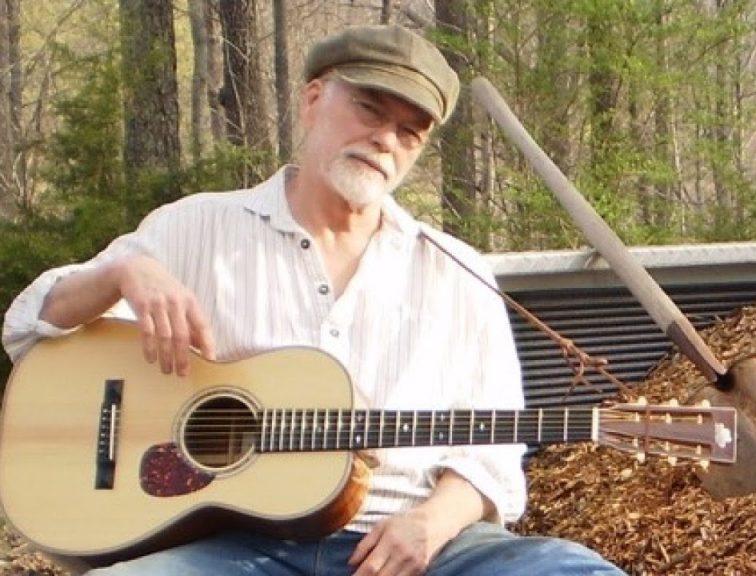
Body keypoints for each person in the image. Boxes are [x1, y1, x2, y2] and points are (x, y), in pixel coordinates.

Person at [2, 25, 625, 576]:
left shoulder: (458, 273)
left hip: (414, 543)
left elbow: (490, 455)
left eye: (410, 132)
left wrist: (431, 525)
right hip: (228, 542)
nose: (386, 139)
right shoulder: (192, 229)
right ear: (313, 98)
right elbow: (30, 331)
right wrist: (121, 273)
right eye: (369, 109)